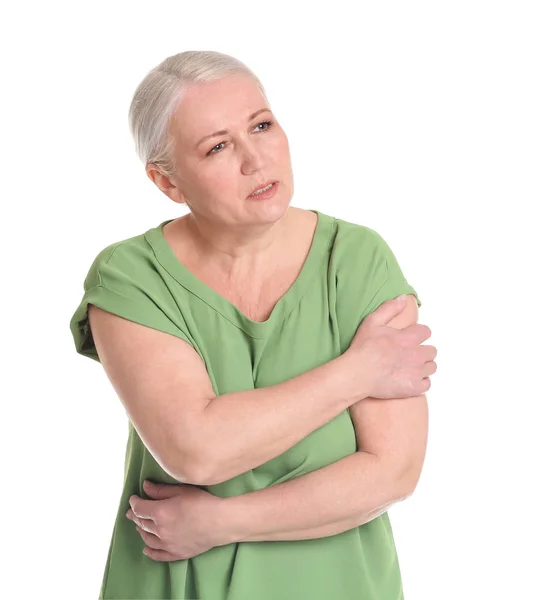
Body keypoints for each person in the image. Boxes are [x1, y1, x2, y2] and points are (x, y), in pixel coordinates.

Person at [69, 50, 437, 600]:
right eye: (218, 147)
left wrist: (220, 522)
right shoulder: (131, 277)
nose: (254, 160)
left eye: (261, 126)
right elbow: (196, 450)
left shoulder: (356, 259)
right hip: (178, 583)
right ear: (167, 182)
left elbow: (392, 472)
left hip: (337, 584)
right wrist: (359, 372)